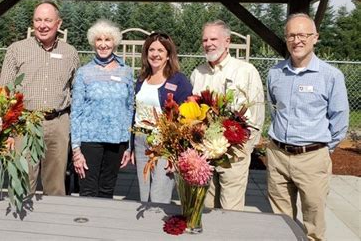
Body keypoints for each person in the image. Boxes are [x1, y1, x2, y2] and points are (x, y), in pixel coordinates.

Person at [267, 13, 349, 240]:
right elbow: (274, 108)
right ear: (286, 39)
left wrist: (322, 150)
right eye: (291, 35)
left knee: (313, 224)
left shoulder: (331, 76)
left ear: (315, 38)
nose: (297, 40)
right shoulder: (275, 73)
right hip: (278, 156)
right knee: (279, 222)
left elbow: (340, 120)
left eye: (303, 35)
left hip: (312, 158)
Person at [0, 1, 80, 196]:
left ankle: (52, 224)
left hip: (58, 123)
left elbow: (77, 92)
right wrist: (7, 131)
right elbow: (4, 93)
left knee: (56, 185)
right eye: (38, 20)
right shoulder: (16, 50)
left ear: (58, 23)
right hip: (25, 123)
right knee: (22, 181)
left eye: (47, 20)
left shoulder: (70, 53)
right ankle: (19, 224)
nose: (42, 25)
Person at [190, 20, 265, 210]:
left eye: (214, 38)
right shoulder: (198, 73)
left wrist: (244, 149)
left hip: (234, 154)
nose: (209, 43)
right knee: (206, 205)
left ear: (227, 41)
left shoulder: (245, 71)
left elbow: (256, 115)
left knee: (230, 209)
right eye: (205, 39)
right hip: (205, 153)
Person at [71, 19, 133, 198]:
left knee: (107, 191)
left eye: (108, 40)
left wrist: (128, 146)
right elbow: (76, 112)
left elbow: (129, 109)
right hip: (90, 141)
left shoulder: (126, 72)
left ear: (114, 42)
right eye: (99, 40)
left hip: (116, 142)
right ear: (93, 42)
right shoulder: (84, 72)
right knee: (88, 191)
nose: (103, 44)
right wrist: (76, 150)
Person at [133, 32, 192, 203]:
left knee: (159, 195)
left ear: (168, 55)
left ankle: (158, 227)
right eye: (151, 49)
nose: (155, 54)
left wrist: (176, 152)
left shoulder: (179, 81)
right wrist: (131, 144)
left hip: (164, 143)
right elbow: (135, 112)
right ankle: (146, 228)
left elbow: (186, 118)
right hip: (141, 140)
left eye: (160, 50)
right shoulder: (142, 79)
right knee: (144, 195)